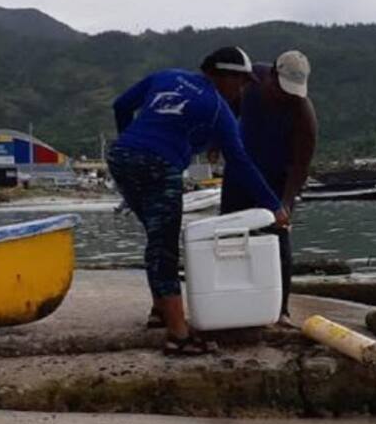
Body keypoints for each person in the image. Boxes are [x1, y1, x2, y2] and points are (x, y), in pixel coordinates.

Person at [108, 46, 290, 355]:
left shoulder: (167, 75)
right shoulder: (218, 109)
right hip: (159, 166)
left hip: (121, 158)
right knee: (164, 247)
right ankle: (179, 335)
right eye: (242, 82)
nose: (243, 90)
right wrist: (274, 206)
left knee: (156, 238)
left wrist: (132, 143)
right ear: (222, 76)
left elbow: (120, 105)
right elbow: (241, 163)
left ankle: (160, 310)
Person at [219, 50, 317, 327]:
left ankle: (281, 310)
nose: (285, 96)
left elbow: (300, 166)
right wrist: (217, 141)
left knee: (278, 240)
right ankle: (232, 303)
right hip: (240, 172)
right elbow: (230, 107)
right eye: (282, 88)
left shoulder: (302, 113)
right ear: (272, 74)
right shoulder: (252, 79)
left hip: (276, 181)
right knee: (229, 235)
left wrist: (285, 204)